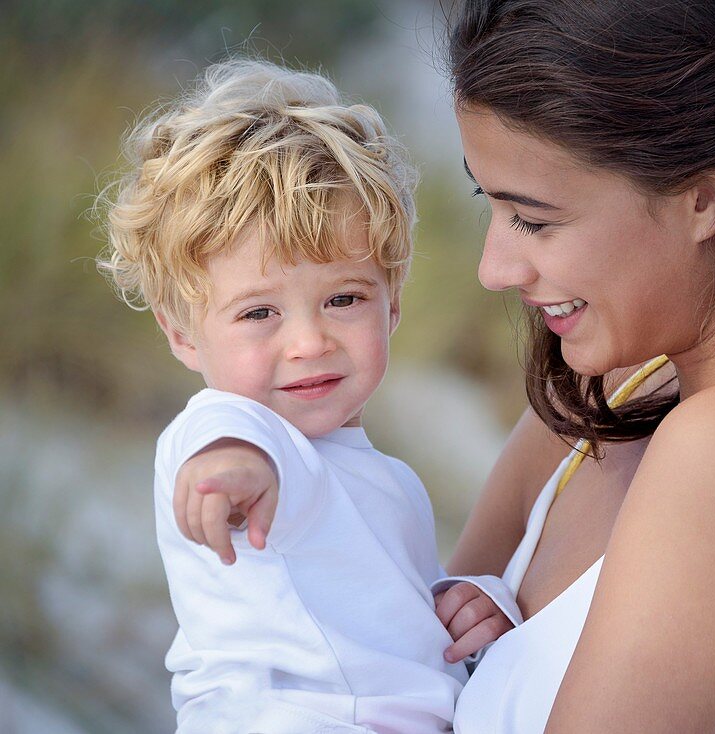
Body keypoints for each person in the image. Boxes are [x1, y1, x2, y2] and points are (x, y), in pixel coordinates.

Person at [180, 2, 715, 732]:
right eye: (494, 207)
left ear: (706, 198)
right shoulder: (611, 391)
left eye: (537, 219)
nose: (495, 268)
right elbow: (407, 672)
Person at [97, 59, 519, 733]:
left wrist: (461, 601)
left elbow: (375, 618)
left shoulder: (385, 479)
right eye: (259, 313)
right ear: (181, 333)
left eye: (344, 299)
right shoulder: (234, 426)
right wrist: (233, 468)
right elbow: (225, 449)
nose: (309, 341)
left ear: (393, 306)